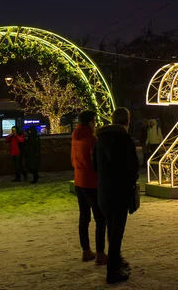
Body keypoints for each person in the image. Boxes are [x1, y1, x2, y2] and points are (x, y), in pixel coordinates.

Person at [94, 107, 139, 284]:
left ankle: (116, 261)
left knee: (111, 229)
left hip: (104, 191)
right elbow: (132, 167)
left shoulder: (100, 140)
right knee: (117, 232)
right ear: (127, 121)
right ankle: (113, 271)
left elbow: (95, 166)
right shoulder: (125, 139)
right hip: (120, 191)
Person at [71, 110, 107, 265]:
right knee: (100, 218)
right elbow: (98, 163)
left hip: (79, 181)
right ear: (91, 122)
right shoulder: (92, 140)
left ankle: (86, 250)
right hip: (92, 182)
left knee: (84, 216)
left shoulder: (75, 137)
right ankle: (100, 253)